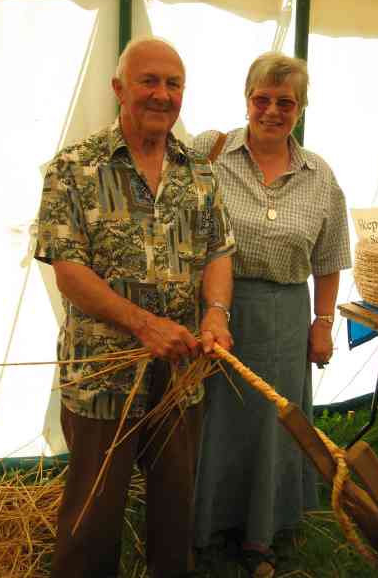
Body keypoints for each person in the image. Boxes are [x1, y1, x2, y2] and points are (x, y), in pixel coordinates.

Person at [35, 37, 236, 578]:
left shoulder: (199, 170)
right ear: (119, 88)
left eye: (173, 84)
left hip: (180, 370)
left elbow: (219, 250)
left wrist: (216, 313)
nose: (161, 94)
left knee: (174, 506)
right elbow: (69, 270)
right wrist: (145, 325)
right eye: (149, 81)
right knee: (93, 512)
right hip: (103, 375)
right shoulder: (74, 168)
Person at [193, 52, 351, 578]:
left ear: (300, 110)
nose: (272, 110)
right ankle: (205, 527)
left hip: (286, 314)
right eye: (263, 98)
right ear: (247, 100)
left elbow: (329, 258)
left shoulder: (319, 176)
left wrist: (323, 322)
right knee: (217, 420)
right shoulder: (210, 153)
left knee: (273, 423)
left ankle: (261, 533)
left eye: (286, 102)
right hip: (219, 308)